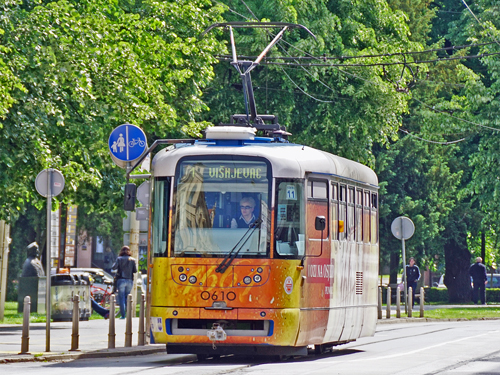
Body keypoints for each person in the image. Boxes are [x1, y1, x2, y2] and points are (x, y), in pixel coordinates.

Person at [111, 246, 137, 319]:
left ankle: (123, 315)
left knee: (121, 297)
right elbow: (135, 270)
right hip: (130, 280)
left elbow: (113, 267)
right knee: (127, 297)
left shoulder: (119, 259)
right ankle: (129, 314)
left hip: (121, 280)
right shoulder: (132, 260)